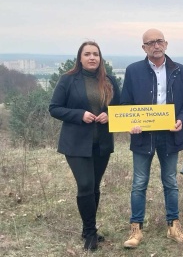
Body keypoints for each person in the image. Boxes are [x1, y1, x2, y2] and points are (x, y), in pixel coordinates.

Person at [120, 28, 183, 248]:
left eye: (159, 41)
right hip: (143, 136)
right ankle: (136, 230)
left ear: (166, 44)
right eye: (151, 42)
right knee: (139, 183)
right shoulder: (133, 71)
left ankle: (174, 227)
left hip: (170, 136)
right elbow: (125, 104)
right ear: (144, 47)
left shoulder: (180, 71)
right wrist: (130, 123)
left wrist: (181, 120)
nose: (156, 45)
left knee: (171, 182)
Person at [49, 41, 120, 251]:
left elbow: (121, 107)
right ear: (80, 58)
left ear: (100, 58)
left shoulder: (110, 81)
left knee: (95, 187)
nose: (92, 58)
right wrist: (79, 115)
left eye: (95, 54)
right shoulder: (68, 80)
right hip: (76, 144)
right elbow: (54, 108)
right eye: (87, 54)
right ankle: (90, 233)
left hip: (102, 143)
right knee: (86, 185)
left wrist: (111, 114)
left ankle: (87, 228)